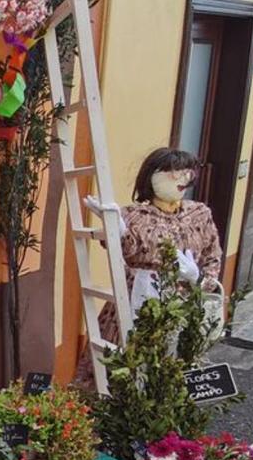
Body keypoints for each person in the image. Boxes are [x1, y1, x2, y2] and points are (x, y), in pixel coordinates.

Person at [78, 148, 223, 382]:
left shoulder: (199, 214)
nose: (182, 180)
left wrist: (197, 278)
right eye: (172, 173)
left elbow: (212, 257)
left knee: (172, 370)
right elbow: (126, 251)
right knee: (124, 365)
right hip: (136, 301)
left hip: (182, 307)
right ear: (152, 176)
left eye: (186, 173)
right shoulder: (134, 215)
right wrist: (118, 228)